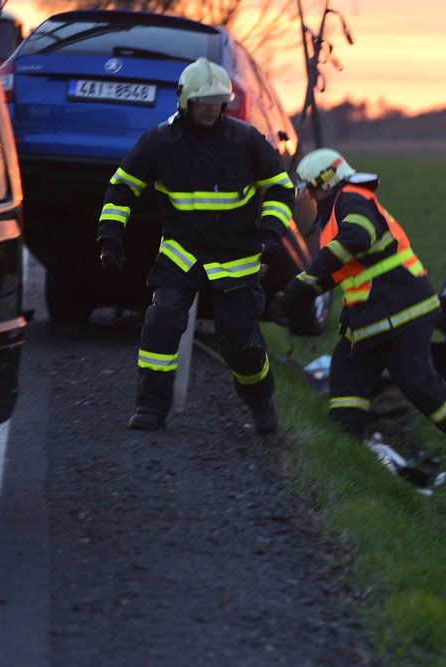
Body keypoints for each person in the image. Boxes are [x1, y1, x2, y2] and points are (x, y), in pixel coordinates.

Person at [97, 57, 293, 434]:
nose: (211, 107)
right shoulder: (159, 141)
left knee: (240, 342)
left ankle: (261, 402)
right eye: (203, 100)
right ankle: (151, 408)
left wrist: (271, 234)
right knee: (162, 321)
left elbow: (281, 188)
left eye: (218, 100)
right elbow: (122, 187)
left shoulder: (245, 139)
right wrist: (109, 236)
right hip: (181, 252)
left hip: (236, 257)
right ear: (185, 101)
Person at [271, 149, 446, 472]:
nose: (310, 195)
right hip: (372, 317)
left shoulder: (351, 199)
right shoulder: (338, 206)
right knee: (346, 380)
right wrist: (289, 299)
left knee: (417, 382)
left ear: (326, 181)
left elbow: (356, 238)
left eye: (311, 187)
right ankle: (346, 454)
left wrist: (294, 291)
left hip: (401, 310)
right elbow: (334, 271)